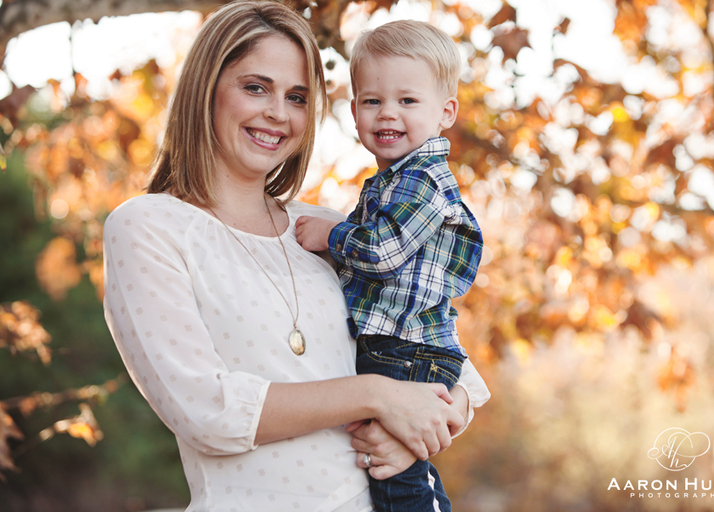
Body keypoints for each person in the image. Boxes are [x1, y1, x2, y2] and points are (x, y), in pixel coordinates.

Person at [101, 2, 490, 511]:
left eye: (298, 97)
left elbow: (457, 374)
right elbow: (209, 413)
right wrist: (377, 396)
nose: (278, 113)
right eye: (255, 87)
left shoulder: (323, 229)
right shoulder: (150, 226)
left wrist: (418, 429)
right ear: (207, 88)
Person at [295, 20, 484, 512]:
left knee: (394, 473)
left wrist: (330, 237)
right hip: (405, 349)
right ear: (354, 109)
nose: (388, 114)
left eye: (407, 101)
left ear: (446, 112)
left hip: (406, 351)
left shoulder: (421, 181)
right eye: (372, 100)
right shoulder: (390, 183)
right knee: (398, 465)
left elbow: (381, 253)